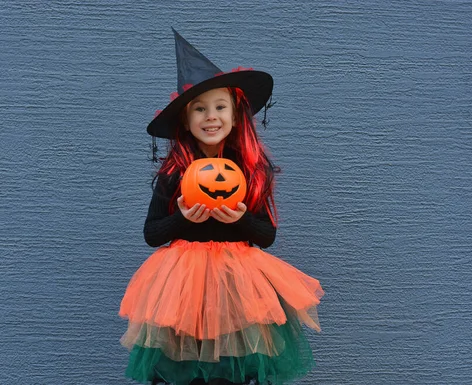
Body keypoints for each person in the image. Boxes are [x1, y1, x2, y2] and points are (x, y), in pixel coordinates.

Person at [119, 28, 324, 385]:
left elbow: (267, 235)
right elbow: (152, 234)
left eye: (219, 107)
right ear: (186, 120)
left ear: (234, 116)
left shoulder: (250, 172)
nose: (210, 116)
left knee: (231, 368)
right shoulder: (175, 174)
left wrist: (241, 217)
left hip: (236, 282)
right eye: (199, 108)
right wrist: (181, 217)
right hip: (183, 284)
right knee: (185, 366)